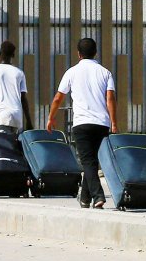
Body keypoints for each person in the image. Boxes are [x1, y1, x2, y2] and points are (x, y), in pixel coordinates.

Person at [47, 38, 117, 209]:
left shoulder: (72, 72)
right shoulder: (105, 72)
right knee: (92, 161)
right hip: (102, 123)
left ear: (78, 54)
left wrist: (51, 117)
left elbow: (58, 97)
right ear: (96, 53)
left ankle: (98, 195)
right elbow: (110, 99)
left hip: (81, 123)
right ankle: (85, 199)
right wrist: (114, 123)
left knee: (87, 161)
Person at [0, 40, 32, 134]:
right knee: (15, 147)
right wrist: (28, 121)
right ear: (13, 55)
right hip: (17, 117)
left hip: (1, 117)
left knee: (2, 146)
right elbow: (23, 99)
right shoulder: (19, 73)